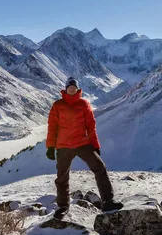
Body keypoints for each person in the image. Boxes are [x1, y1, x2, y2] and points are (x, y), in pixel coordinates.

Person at [46, 76, 123, 218]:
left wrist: (95, 145)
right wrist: (50, 146)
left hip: (82, 143)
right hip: (63, 146)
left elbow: (91, 127)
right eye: (70, 88)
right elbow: (52, 127)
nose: (72, 90)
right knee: (62, 177)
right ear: (65, 89)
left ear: (77, 89)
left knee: (100, 168)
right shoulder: (58, 105)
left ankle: (108, 201)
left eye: (74, 88)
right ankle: (63, 207)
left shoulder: (84, 104)